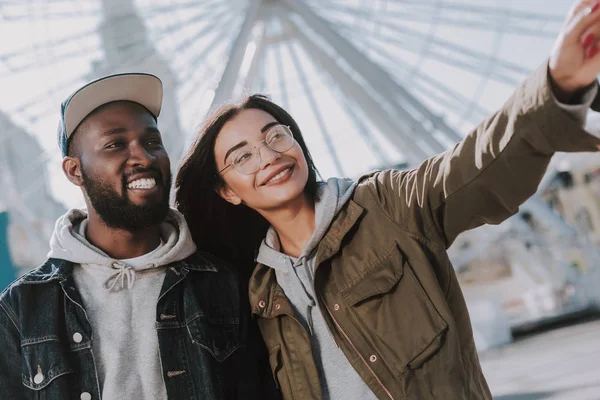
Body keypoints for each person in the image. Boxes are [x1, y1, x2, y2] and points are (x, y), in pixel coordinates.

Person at [174, 2, 600, 399]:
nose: (268, 155)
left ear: (298, 145)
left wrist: (555, 86)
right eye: (242, 156)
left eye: (276, 135)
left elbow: (475, 166)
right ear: (227, 191)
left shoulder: (386, 207)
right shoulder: (258, 295)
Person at [0, 73, 278, 399]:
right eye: (115, 144)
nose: (145, 158)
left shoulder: (225, 284)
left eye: (152, 142)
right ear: (75, 171)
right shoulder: (21, 309)